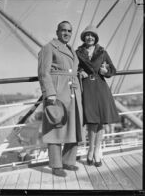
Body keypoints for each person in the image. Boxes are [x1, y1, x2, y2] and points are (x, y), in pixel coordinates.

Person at [38, 21, 84, 177]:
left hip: (73, 91)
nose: (66, 33)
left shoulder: (72, 50)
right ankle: (56, 165)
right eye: (63, 30)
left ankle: (68, 161)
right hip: (57, 93)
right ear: (57, 31)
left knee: (74, 126)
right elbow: (44, 73)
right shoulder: (48, 48)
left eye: (69, 31)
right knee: (56, 127)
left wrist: (80, 74)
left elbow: (73, 68)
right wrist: (49, 92)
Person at [76, 25, 120, 167]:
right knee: (92, 121)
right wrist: (79, 73)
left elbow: (113, 70)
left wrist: (105, 71)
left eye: (92, 35)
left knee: (100, 120)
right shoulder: (78, 52)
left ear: (95, 38)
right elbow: (73, 68)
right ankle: (90, 150)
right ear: (84, 37)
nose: (90, 37)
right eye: (87, 35)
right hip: (87, 87)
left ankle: (96, 152)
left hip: (101, 87)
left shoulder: (102, 52)